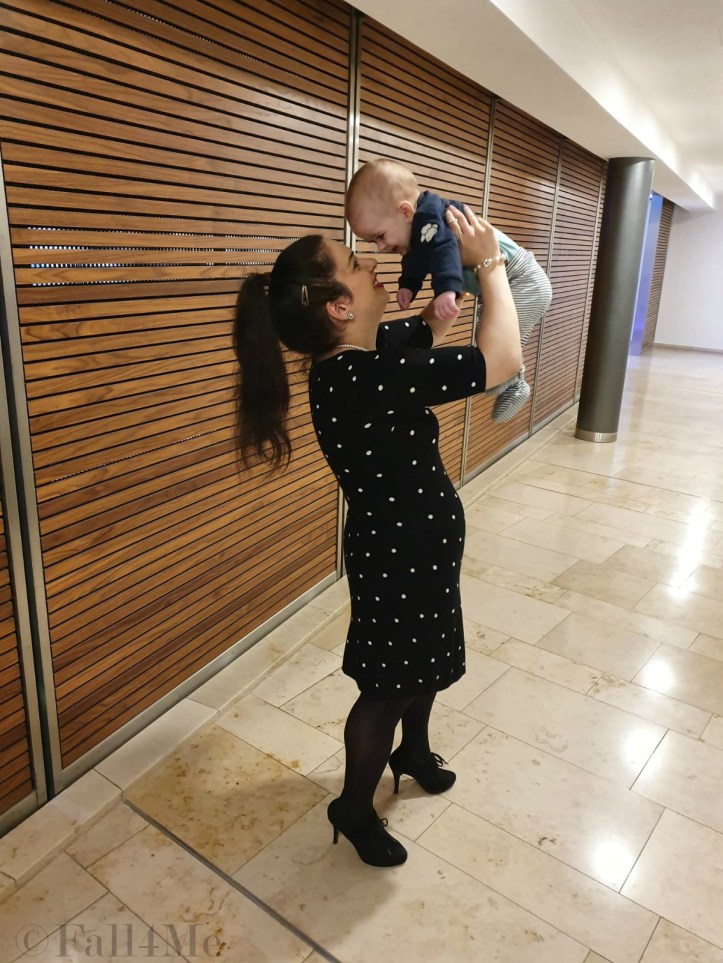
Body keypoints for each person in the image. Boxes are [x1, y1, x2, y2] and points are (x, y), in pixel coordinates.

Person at [232, 205, 521, 867]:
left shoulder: (356, 363)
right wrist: (489, 264)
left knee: (426, 660)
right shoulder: (360, 377)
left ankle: (411, 752)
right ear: (337, 306)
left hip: (413, 548)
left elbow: (406, 341)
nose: (372, 268)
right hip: (397, 557)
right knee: (387, 684)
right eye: (358, 267)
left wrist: (430, 318)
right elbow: (500, 360)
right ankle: (352, 806)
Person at [346, 158, 552, 422]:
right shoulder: (417, 235)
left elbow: (445, 252)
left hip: (523, 279)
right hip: (508, 281)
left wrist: (447, 291)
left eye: (379, 236)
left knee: (503, 345)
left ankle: (516, 382)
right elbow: (413, 265)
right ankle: (511, 382)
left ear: (406, 212)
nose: (379, 248)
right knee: (489, 335)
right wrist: (407, 286)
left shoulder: (431, 220)